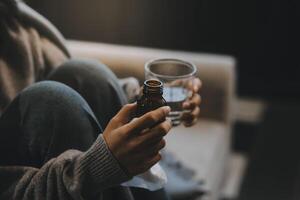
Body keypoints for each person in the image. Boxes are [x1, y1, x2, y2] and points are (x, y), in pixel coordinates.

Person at [0, 0, 201, 200]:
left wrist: (146, 101)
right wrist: (94, 168)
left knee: (85, 74)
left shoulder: (11, 19)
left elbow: (66, 76)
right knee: (52, 100)